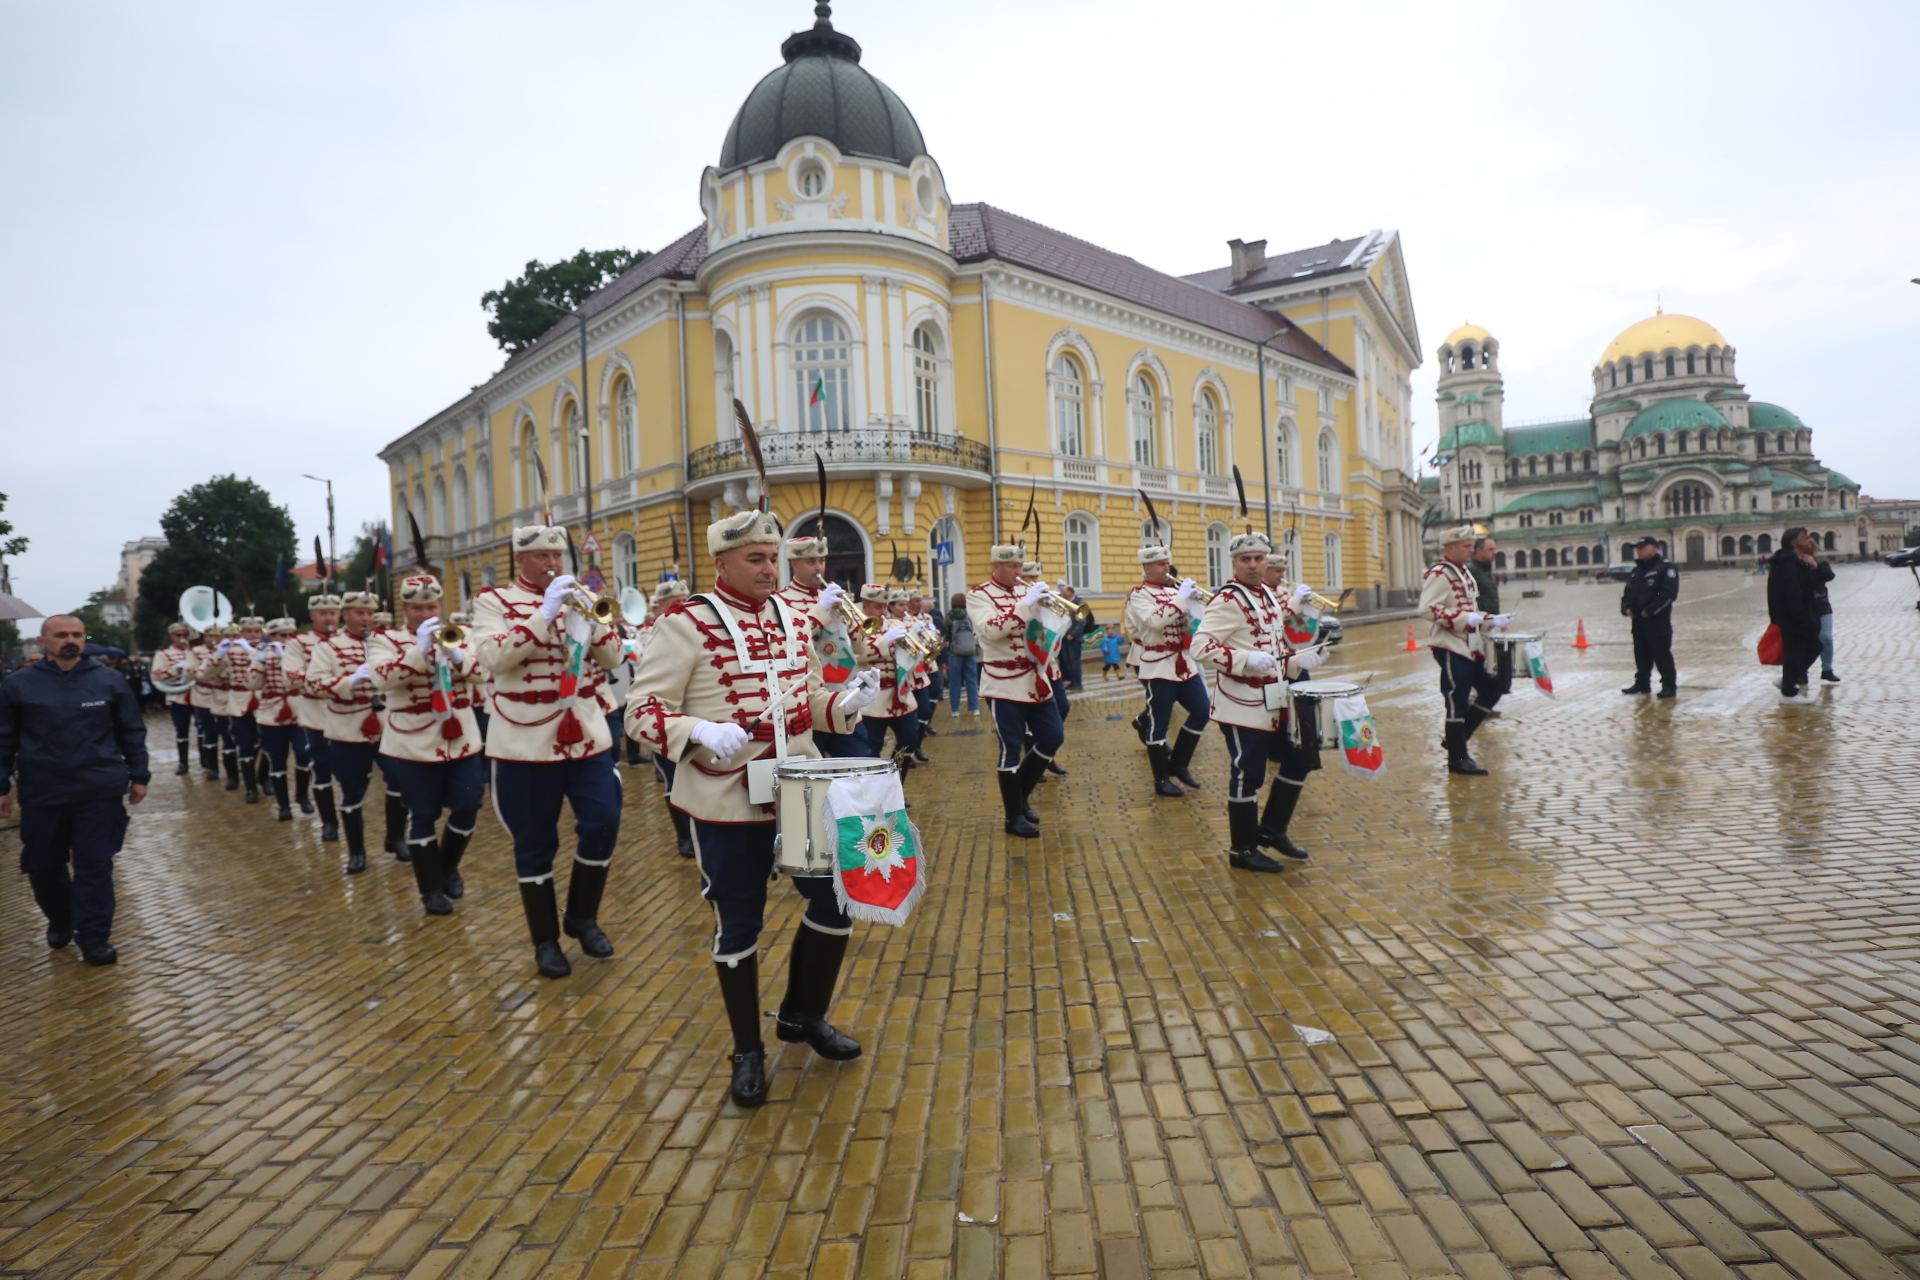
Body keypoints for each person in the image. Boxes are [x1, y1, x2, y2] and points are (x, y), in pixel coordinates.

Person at [622, 508, 881, 1106]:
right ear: (723, 563)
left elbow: (809, 699)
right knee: (740, 921)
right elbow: (641, 710)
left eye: (773, 558)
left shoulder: (794, 617)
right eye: (756, 559)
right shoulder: (685, 623)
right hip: (725, 794)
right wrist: (696, 731)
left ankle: (801, 1015)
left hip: (798, 784)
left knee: (835, 902)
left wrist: (848, 700)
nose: (770, 569)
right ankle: (747, 1049)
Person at [472, 525, 626, 978]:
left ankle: (581, 914)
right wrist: (545, 615)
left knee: (603, 820)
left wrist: (590, 622)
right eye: (539, 556)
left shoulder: (578, 596)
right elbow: (492, 658)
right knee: (535, 844)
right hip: (523, 743)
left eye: (556, 555)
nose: (551, 564)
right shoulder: (493, 603)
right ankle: (545, 941)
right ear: (520, 560)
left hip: (584, 737)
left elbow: (614, 658)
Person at [0, 615, 149, 965]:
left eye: (77, 634)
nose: (70, 640)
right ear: (42, 641)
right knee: (43, 866)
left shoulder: (109, 681)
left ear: (84, 639)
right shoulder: (17, 685)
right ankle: (61, 916)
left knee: (94, 866)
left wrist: (139, 775)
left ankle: (94, 938)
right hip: (43, 792)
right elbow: (3, 739)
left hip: (99, 790)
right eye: (61, 634)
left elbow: (132, 730)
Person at [1193, 533, 1329, 872]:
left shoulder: (1268, 594)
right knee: (1247, 773)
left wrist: (1300, 662)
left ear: (1267, 561)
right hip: (1241, 702)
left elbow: (1273, 651)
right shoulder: (1227, 599)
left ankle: (1271, 830)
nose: (1253, 565)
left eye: (1258, 558)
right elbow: (1201, 647)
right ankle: (1242, 850)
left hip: (1275, 699)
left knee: (1300, 757)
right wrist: (1244, 659)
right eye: (1245, 560)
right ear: (1234, 563)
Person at [369, 575, 486, 915]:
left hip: (460, 737)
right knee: (422, 814)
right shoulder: (384, 639)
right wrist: (418, 651)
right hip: (412, 740)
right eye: (417, 607)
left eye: (431, 606)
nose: (425, 613)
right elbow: (382, 679)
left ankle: (448, 866)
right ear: (405, 608)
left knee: (467, 805)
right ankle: (430, 889)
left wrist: (456, 654)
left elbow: (482, 672)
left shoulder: (461, 635)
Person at [967, 546, 1064, 837]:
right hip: (1003, 681)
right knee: (1010, 747)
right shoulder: (979, 594)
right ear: (997, 565)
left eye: (1020, 566)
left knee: (1053, 737)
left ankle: (1020, 795)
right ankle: (1013, 817)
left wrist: (1049, 609)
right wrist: (1025, 605)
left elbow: (1043, 630)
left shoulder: (1027, 590)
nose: (1018, 573)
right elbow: (991, 629)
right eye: (1012, 567)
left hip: (1035, 678)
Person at [1420, 524, 1512, 775]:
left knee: (1492, 690)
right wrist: (1463, 619)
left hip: (1471, 645)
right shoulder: (1440, 573)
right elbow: (1427, 609)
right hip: (1451, 645)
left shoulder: (1463, 573)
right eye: (1466, 547)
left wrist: (1492, 619)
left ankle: (1455, 741)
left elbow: (1470, 611)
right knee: (1456, 701)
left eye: (1472, 546)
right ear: (1451, 547)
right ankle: (1458, 759)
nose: (1471, 550)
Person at [307, 592, 386, 872]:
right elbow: (313, 683)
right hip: (347, 728)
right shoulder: (329, 647)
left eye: (369, 614)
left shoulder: (383, 642)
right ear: (346, 615)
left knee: (399, 784)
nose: (365, 619)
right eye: (359, 613)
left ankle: (397, 838)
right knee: (352, 791)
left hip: (386, 725)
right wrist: (349, 681)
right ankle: (357, 851)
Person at [1124, 544, 1210, 796]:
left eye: (1167, 563)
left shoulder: (1173, 591)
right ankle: (1161, 780)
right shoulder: (1139, 594)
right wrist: (1181, 598)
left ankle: (1180, 764)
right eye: (1161, 564)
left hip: (1184, 663)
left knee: (1203, 711)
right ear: (1147, 567)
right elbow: (1154, 621)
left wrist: (1194, 601)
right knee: (1158, 724)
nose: (1167, 568)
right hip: (1158, 664)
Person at [777, 532, 859, 757]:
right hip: (808, 699)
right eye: (810, 561)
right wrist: (821, 610)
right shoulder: (780, 601)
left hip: (842, 693)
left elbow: (860, 646)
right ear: (794, 563)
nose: (819, 568)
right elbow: (789, 640)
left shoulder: (831, 597)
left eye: (822, 561)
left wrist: (851, 619)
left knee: (859, 762)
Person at [641, 578, 694, 856]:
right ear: (659, 605)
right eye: (675, 602)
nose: (683, 606)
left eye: (686, 600)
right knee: (673, 778)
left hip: (695, 714)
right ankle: (684, 837)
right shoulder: (648, 634)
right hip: (665, 716)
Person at [285, 594, 342, 837]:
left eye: (333, 613)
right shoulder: (299, 642)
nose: (329, 618)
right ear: (312, 616)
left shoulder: (348, 639)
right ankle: (329, 821)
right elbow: (291, 676)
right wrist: (327, 683)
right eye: (323, 613)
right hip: (317, 712)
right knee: (321, 766)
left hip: (348, 711)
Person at [854, 584, 920, 765]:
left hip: (899, 694)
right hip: (872, 699)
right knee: (872, 748)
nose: (883, 611)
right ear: (865, 606)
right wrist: (886, 639)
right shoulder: (855, 626)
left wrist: (915, 641)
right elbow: (860, 654)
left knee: (910, 739)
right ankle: (875, 789)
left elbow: (910, 655)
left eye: (884, 606)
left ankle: (895, 781)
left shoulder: (895, 624)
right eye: (877, 607)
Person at [246, 617, 302, 820]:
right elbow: (251, 684)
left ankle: (302, 795)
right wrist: (260, 661)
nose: (286, 639)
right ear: (271, 637)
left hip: (298, 710)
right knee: (277, 760)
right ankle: (283, 805)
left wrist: (288, 660)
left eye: (289, 635)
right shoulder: (259, 653)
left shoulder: (300, 652)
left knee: (304, 756)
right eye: (281, 635)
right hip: (272, 712)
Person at [1768, 527, 1824, 702]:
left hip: (1794, 617)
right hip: (1794, 619)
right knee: (1803, 650)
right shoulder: (1788, 565)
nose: (1809, 540)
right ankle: (1788, 690)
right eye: (1806, 538)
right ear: (1795, 543)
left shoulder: (1794, 562)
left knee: (1800, 651)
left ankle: (1788, 681)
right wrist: (1802, 617)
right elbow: (1791, 594)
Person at [1620, 536, 1679, 697]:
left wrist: (1650, 610)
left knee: (1661, 653)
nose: (1639, 551)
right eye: (1637, 548)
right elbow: (1628, 593)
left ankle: (1668, 685)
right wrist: (1626, 608)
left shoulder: (1665, 568)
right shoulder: (1637, 571)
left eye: (1643, 548)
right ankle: (1642, 684)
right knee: (1641, 653)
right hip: (1638, 620)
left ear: (1654, 548)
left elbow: (1668, 594)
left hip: (1657, 621)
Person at [151, 621, 199, 776]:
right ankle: (183, 763)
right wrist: (176, 668)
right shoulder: (163, 654)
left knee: (203, 728)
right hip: (178, 695)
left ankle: (207, 762)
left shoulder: (195, 651)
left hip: (198, 694)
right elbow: (156, 675)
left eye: (185, 635)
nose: (183, 638)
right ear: (172, 636)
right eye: (179, 635)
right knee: (182, 730)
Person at [943, 593, 979, 716]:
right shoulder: (969, 615)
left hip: (954, 652)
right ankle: (975, 709)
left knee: (954, 682)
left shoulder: (949, 616)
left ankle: (955, 710)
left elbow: (947, 633)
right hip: (970, 651)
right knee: (972, 680)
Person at [1057, 584, 1088, 692]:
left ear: (1070, 593)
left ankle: (1077, 683)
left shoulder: (1079, 603)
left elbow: (1082, 621)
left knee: (1074, 661)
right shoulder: (1064, 602)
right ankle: (1071, 682)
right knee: (1067, 660)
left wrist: (1072, 634)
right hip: (1065, 636)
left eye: (1064, 592)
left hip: (1073, 637)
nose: (1062, 594)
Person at [1814, 552, 1839, 683]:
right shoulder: (1797, 565)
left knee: (1826, 637)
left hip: (1823, 607)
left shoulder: (1821, 564)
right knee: (1808, 641)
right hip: (1805, 609)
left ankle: (1827, 669)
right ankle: (1802, 671)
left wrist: (1815, 565)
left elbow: (1829, 576)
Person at [1468, 536, 1500, 614]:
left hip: (1491, 620)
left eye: (1495, 549)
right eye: (1491, 549)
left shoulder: (1487, 569)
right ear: (1479, 550)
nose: (1495, 552)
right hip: (1480, 620)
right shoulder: (1470, 570)